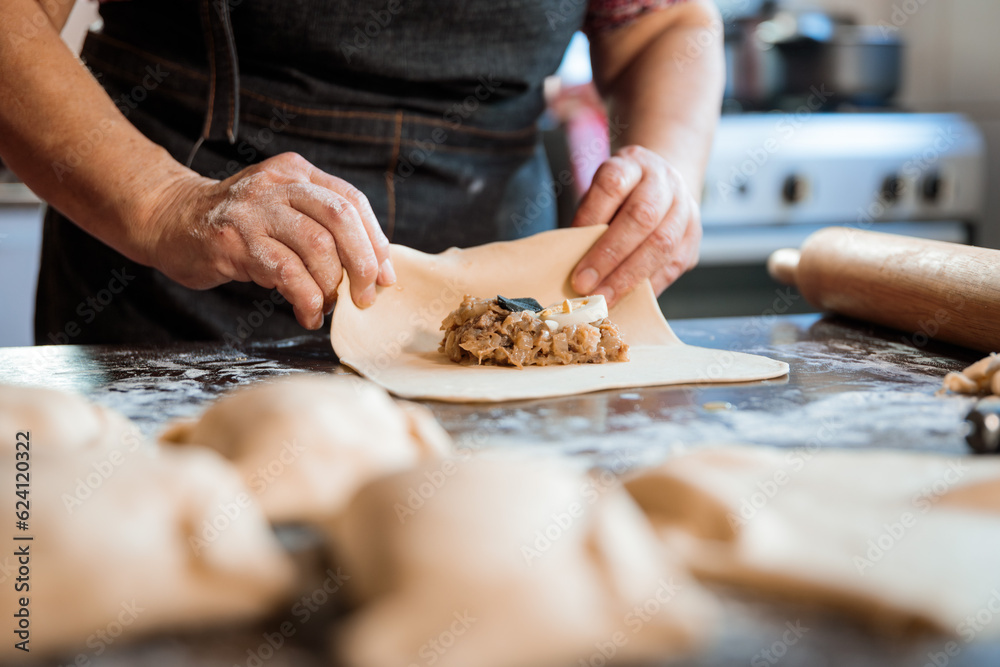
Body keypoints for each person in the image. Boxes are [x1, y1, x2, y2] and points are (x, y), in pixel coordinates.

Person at [0, 0, 724, 346]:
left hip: (501, 300)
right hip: (182, 289)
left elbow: (659, 24)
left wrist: (670, 168)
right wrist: (163, 202)